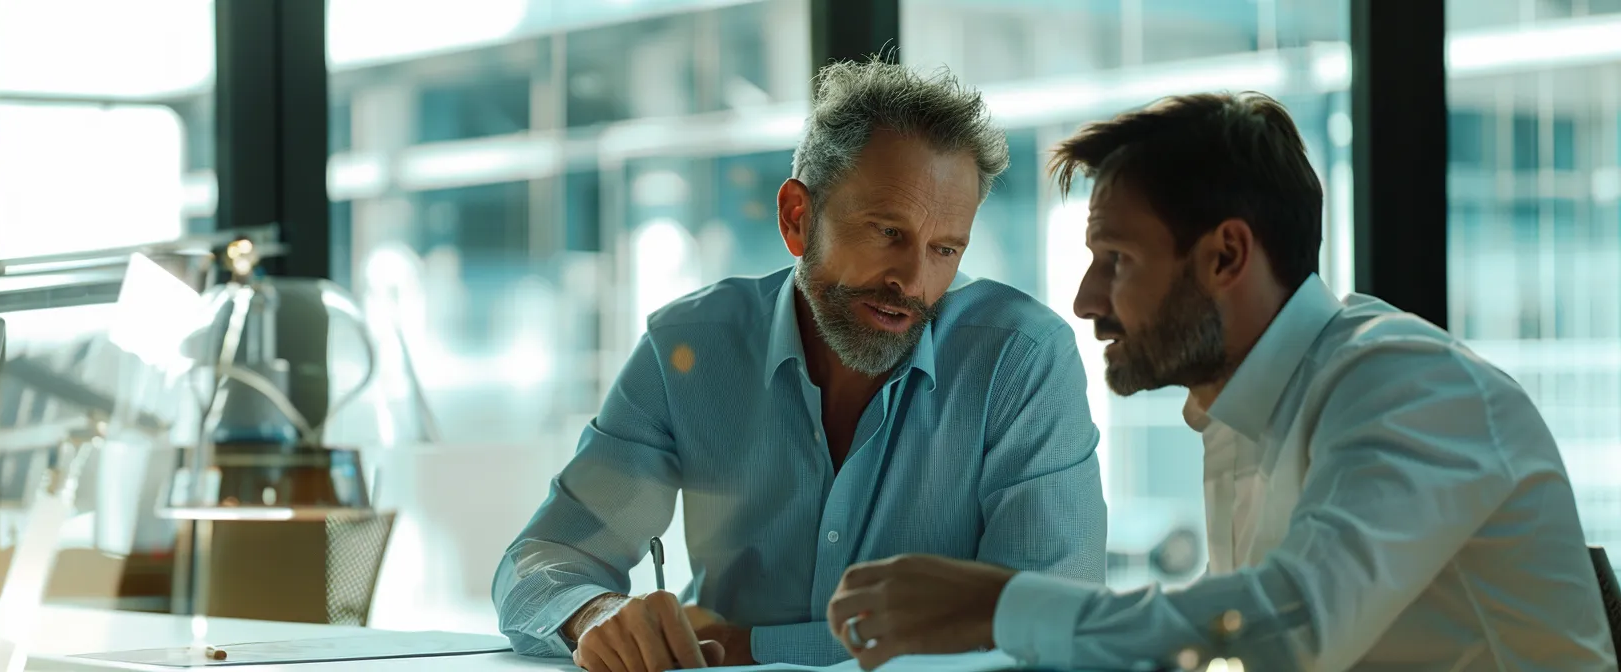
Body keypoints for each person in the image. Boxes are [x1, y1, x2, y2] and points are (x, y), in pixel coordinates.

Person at [824, 92, 1619, 671]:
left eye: (1118, 263)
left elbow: (1293, 623)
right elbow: (1227, 639)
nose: (1086, 302)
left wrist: (992, 607)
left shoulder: (1408, 385)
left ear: (1227, 257)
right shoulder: (1240, 413)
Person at [491, 58, 1107, 671]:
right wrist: (594, 614)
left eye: (945, 248)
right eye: (887, 232)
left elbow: (1050, 628)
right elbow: (545, 559)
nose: (914, 282)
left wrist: (752, 648)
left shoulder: (1021, 360)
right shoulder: (689, 350)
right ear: (796, 218)